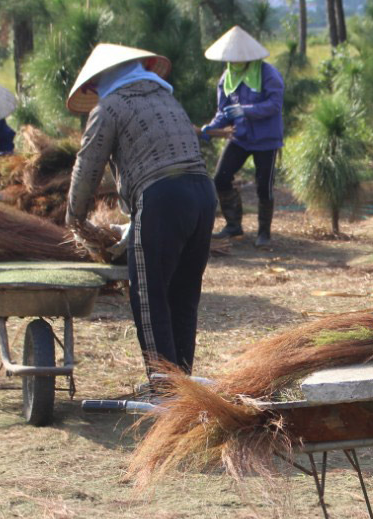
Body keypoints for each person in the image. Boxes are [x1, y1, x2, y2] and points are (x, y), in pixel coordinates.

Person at [65, 43, 217, 378]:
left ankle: (163, 387)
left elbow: (88, 167)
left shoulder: (110, 107)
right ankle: (182, 384)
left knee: (149, 296)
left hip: (163, 198)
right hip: (203, 195)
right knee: (183, 294)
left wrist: (74, 218)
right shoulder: (165, 98)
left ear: (101, 80)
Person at [198, 26, 284, 249]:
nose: (234, 61)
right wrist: (211, 127)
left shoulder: (268, 74)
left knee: (263, 185)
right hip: (239, 137)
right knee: (220, 178)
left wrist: (246, 110)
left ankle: (264, 232)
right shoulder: (227, 77)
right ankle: (233, 224)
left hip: (266, 139)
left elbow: (274, 105)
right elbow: (223, 111)